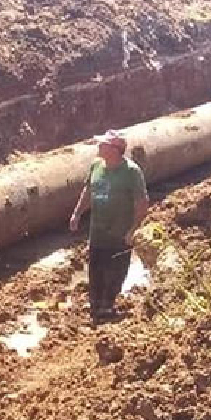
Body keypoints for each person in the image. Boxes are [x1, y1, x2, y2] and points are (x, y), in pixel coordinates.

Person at [68, 130, 149, 322]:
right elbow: (88, 190)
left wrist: (133, 229)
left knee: (115, 271)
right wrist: (77, 213)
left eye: (103, 144)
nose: (99, 147)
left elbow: (142, 202)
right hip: (98, 231)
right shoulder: (96, 165)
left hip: (120, 234)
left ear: (114, 149)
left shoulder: (131, 172)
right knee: (95, 269)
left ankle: (108, 305)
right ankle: (96, 306)